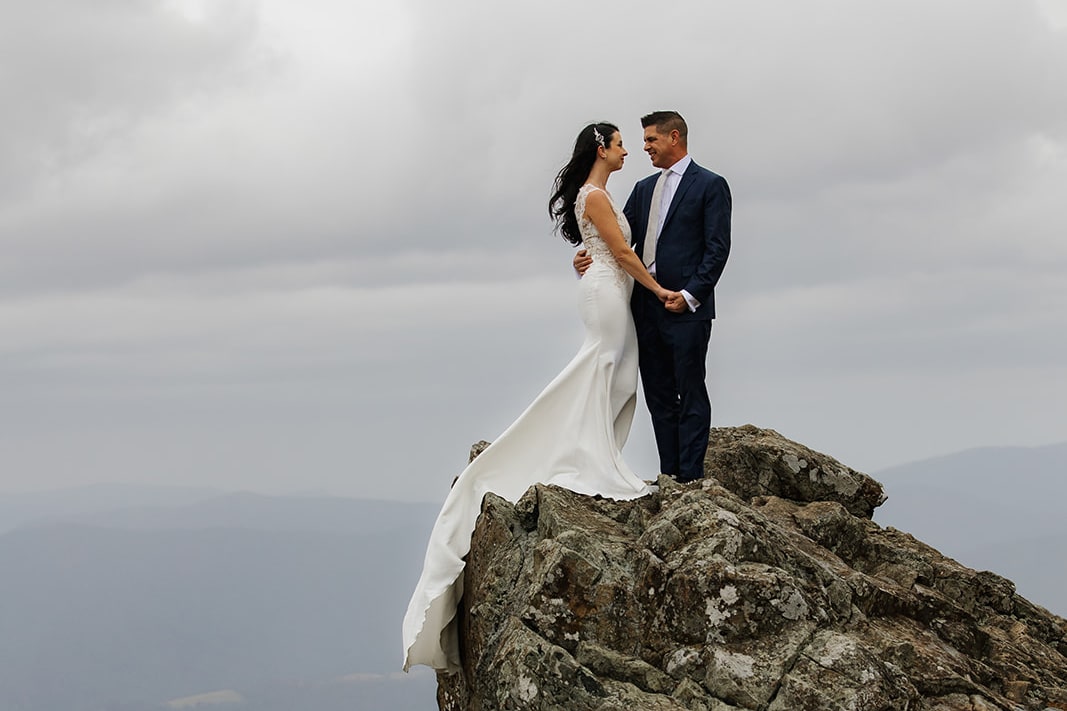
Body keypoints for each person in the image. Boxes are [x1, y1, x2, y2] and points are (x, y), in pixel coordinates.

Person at [402, 123, 677, 673]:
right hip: (608, 293)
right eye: (621, 143)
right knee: (599, 371)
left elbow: (598, 247)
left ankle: (598, 452)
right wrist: (659, 290)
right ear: (602, 148)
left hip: (604, 288)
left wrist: (591, 259)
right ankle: (584, 456)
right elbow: (619, 252)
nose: (627, 151)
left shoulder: (596, 196)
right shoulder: (595, 196)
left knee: (615, 379)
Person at [575, 111, 731, 483]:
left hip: (687, 308)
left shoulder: (710, 185)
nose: (644, 148)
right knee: (658, 395)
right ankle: (670, 475)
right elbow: (618, 237)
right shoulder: (644, 189)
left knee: (690, 390)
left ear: (673, 137)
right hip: (645, 306)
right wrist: (586, 255)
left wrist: (691, 294)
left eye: (650, 140)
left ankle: (691, 478)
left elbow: (717, 249)